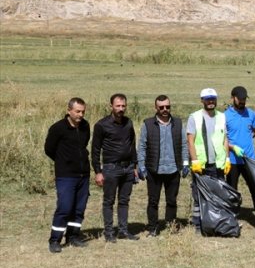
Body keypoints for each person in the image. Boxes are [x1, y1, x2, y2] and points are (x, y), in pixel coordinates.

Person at [138, 94, 189, 236]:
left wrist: (185, 163)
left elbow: (184, 145)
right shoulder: (147, 124)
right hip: (154, 170)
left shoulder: (178, 123)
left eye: (168, 106)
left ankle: (171, 226)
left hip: (173, 170)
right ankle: (153, 228)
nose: (165, 109)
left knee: (172, 201)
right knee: (153, 201)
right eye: (161, 107)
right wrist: (141, 166)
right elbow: (142, 146)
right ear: (156, 108)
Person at [45, 97, 90, 253]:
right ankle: (55, 239)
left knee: (79, 208)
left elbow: (83, 145)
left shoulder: (85, 126)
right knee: (64, 207)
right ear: (69, 110)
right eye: (77, 111)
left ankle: (73, 236)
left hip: (83, 175)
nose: (80, 115)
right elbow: (49, 149)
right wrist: (64, 162)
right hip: (66, 176)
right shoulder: (58, 128)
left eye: (83, 111)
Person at [92, 93, 139, 242]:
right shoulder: (101, 125)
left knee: (124, 201)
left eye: (123, 106)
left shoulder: (128, 123)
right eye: (118, 106)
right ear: (111, 106)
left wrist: (135, 165)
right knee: (109, 201)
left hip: (128, 168)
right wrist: (98, 172)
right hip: (111, 169)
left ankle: (123, 231)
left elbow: (132, 144)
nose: (121, 109)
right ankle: (109, 232)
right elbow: (95, 150)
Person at [187, 88, 229, 230]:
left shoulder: (222, 116)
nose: (211, 102)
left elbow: (225, 139)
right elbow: (190, 141)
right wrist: (194, 161)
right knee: (199, 195)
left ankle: (216, 223)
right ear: (202, 100)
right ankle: (198, 224)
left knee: (218, 194)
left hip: (218, 164)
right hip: (201, 164)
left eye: (213, 99)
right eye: (207, 99)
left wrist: (227, 159)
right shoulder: (194, 117)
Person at [224, 85, 255, 221]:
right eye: (240, 99)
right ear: (233, 98)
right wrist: (233, 147)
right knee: (232, 190)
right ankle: (232, 217)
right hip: (233, 160)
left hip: (249, 159)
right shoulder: (226, 116)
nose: (242, 102)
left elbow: (253, 131)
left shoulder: (251, 114)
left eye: (244, 99)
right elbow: (223, 139)